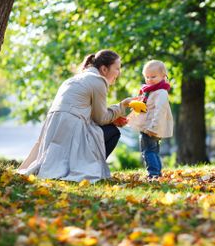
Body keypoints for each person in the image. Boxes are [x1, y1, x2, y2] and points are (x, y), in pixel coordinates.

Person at [17, 50, 132, 182]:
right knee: (113, 132)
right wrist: (123, 105)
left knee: (109, 127)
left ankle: (85, 164)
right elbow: (100, 119)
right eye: (117, 68)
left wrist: (114, 117)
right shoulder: (98, 81)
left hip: (54, 130)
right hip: (71, 129)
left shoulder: (74, 79)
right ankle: (91, 167)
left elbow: (90, 114)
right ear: (104, 69)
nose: (119, 73)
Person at [127, 60, 173, 179]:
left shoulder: (161, 92)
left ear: (163, 76)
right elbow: (142, 108)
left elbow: (160, 111)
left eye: (153, 76)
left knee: (148, 151)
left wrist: (153, 127)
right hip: (146, 126)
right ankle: (157, 172)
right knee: (152, 150)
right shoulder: (149, 91)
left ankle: (153, 173)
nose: (150, 79)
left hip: (151, 127)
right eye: (147, 77)